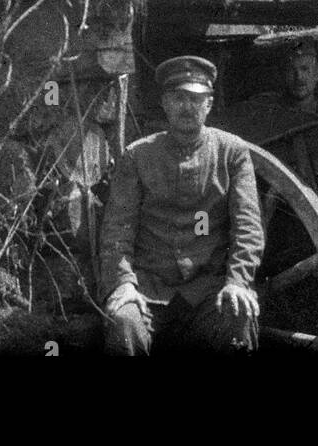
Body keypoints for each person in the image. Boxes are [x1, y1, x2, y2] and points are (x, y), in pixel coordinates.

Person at [99, 55, 264, 354]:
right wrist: (123, 282)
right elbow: (117, 230)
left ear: (209, 104)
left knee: (239, 315)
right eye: (178, 97)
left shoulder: (232, 153)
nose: (187, 106)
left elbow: (248, 227)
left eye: (196, 98)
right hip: (149, 290)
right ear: (164, 102)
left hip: (207, 292)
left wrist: (238, 280)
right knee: (124, 322)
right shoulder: (137, 157)